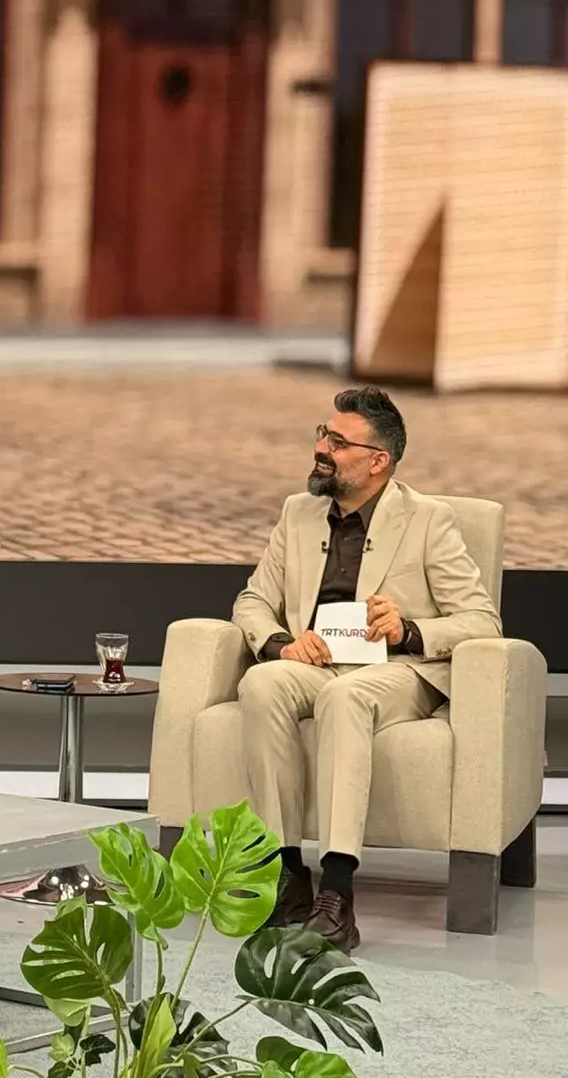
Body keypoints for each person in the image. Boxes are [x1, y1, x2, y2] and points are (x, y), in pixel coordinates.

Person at [233, 385, 501, 952]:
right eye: (322, 435)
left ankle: (337, 894)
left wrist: (408, 630)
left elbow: (481, 620)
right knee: (261, 682)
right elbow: (253, 601)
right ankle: (286, 877)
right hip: (318, 661)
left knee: (346, 696)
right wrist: (282, 643)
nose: (321, 449)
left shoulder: (429, 519)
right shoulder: (298, 513)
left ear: (378, 461)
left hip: (397, 669)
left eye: (338, 442)